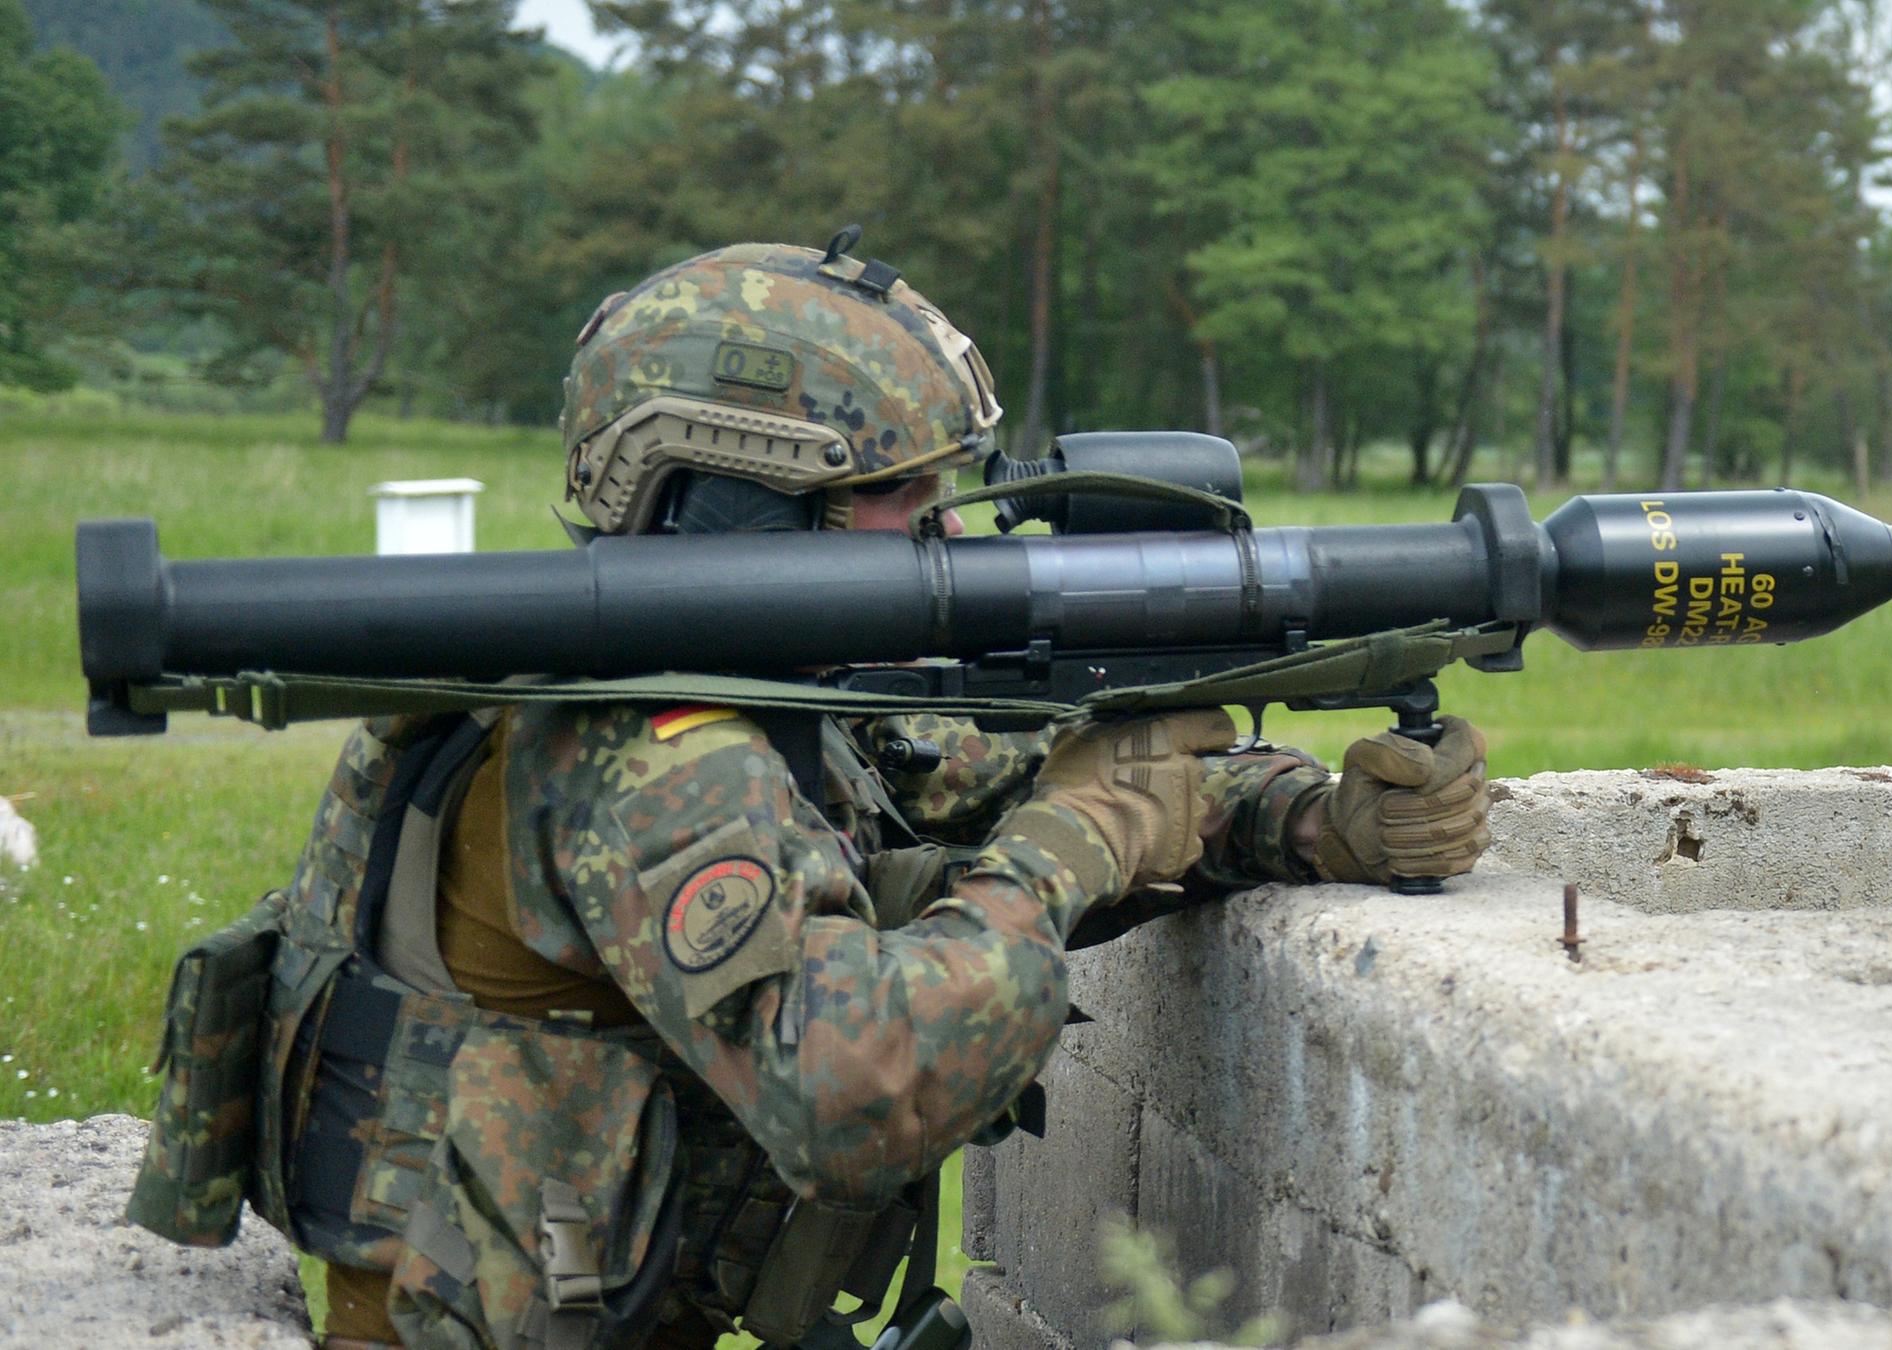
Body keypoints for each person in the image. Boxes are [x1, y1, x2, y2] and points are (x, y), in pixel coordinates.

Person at [137, 236, 1491, 1350]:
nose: (951, 535)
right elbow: (855, 1090)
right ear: (741, 511)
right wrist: (1070, 850)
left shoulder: (769, 695)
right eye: (906, 498)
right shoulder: (644, 749)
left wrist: (1316, 818)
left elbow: (1023, 771)